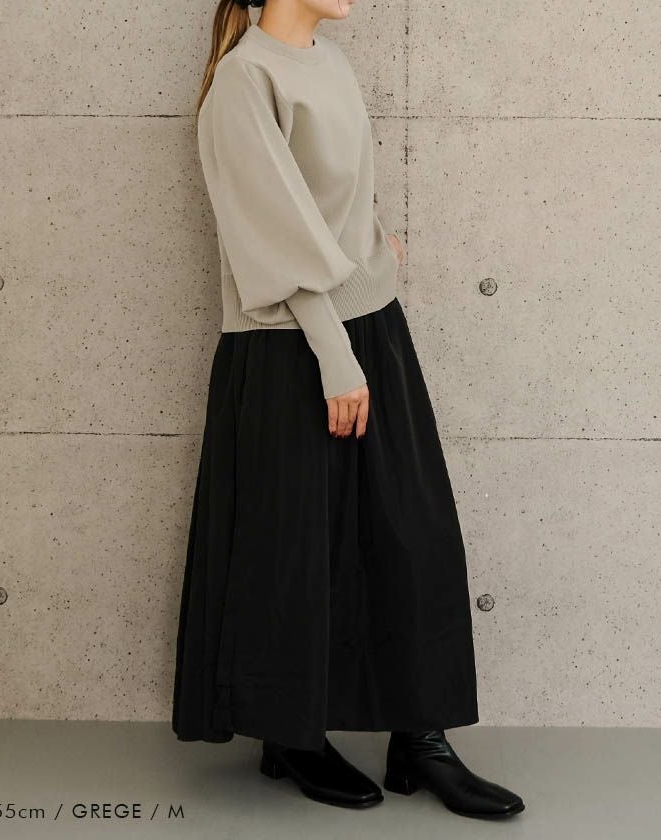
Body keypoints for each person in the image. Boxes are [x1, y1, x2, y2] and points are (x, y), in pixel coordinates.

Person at [171, 0, 525, 818]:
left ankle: (419, 738)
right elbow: (269, 232)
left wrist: (379, 254)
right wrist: (335, 354)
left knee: (411, 534)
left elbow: (341, 200)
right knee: (291, 548)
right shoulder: (243, 80)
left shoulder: (329, 61)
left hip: (370, 326)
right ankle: (289, 736)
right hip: (288, 345)